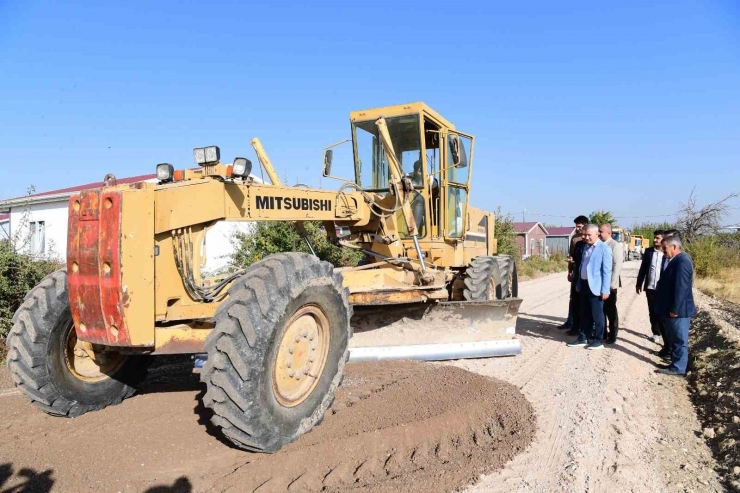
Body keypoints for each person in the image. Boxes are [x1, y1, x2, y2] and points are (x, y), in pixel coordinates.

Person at [654, 235, 696, 376]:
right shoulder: (675, 260)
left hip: (679, 310)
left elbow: (681, 288)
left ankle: (678, 368)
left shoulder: (682, 261)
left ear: (674, 247)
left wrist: (675, 309)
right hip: (672, 309)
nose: (663, 251)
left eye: (665, 248)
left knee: (679, 339)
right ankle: (674, 363)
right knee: (674, 338)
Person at [567, 224, 613, 350]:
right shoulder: (586, 247)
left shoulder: (604, 249)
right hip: (584, 285)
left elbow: (607, 271)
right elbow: (582, 265)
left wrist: (605, 289)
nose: (586, 237)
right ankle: (583, 337)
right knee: (584, 313)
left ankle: (598, 340)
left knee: (597, 315)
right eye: (585, 235)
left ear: (597, 234)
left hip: (596, 287)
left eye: (589, 235)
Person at [559, 215, 590, 331]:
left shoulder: (590, 238)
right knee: (573, 298)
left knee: (585, 299)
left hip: (586, 273)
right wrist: (570, 271)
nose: (577, 229)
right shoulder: (574, 239)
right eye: (576, 226)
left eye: (580, 226)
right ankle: (570, 322)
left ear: (585, 225)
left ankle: (585, 325)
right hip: (576, 271)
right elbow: (571, 255)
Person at [636, 230, 665, 346]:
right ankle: (656, 333)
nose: (654, 240)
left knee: (662, 312)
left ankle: (665, 332)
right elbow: (643, 269)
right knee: (652, 311)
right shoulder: (649, 252)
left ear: (663, 239)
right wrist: (639, 283)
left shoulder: (667, 253)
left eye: (657, 238)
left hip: (663, 289)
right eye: (654, 238)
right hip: (650, 286)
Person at [598, 223, 623, 343]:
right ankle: (602, 333)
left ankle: (613, 334)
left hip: (610, 285)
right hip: (599, 284)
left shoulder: (614, 245)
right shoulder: (599, 245)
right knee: (601, 310)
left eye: (601, 231)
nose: (599, 233)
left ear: (609, 233)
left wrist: (611, 284)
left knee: (610, 310)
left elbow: (617, 265)